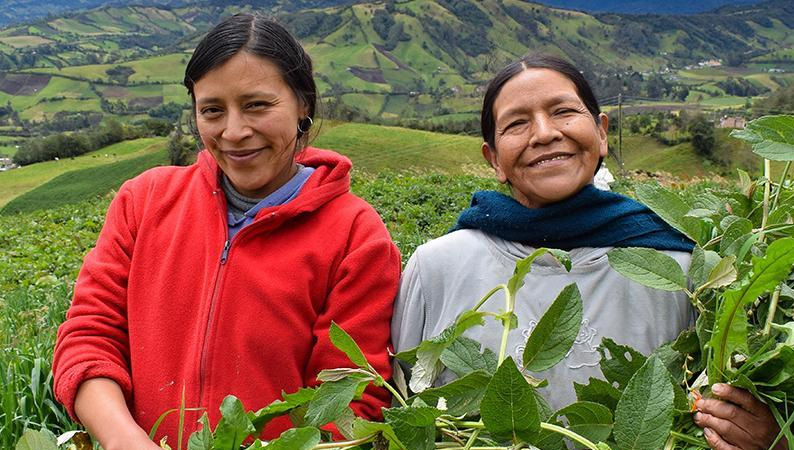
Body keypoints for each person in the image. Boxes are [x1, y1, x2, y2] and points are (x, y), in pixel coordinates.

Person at [391, 54, 784, 450]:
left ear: (601, 133)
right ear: (493, 158)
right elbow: (402, 412)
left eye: (563, 111)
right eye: (516, 124)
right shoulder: (437, 267)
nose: (544, 133)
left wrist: (769, 436)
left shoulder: (681, 268)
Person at [52, 14, 400, 450]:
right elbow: (89, 338)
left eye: (257, 105)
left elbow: (349, 400)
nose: (234, 132)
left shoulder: (355, 235)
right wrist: (126, 441)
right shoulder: (144, 202)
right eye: (212, 110)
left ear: (303, 105)